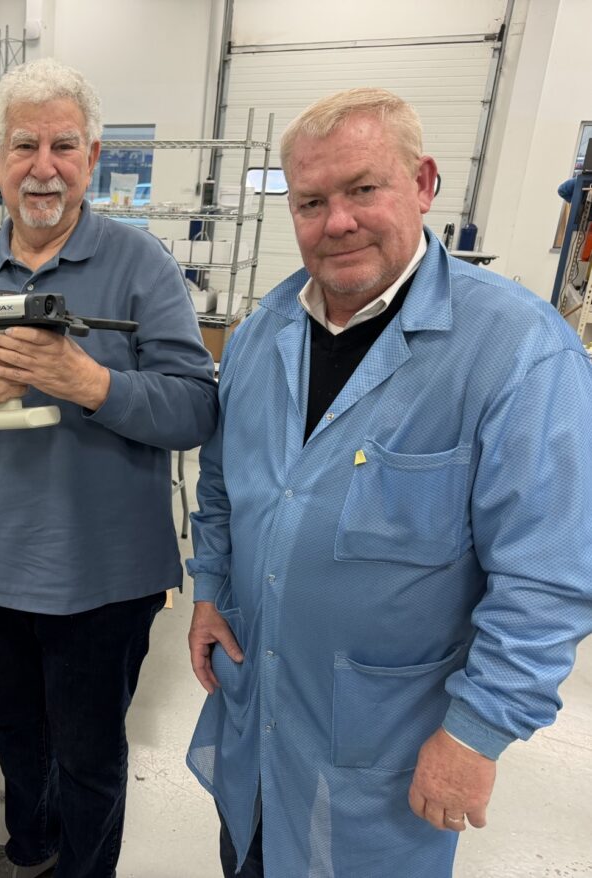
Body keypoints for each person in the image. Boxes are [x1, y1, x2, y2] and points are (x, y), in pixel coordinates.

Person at [185, 87, 592, 877]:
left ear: (424, 183)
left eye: (363, 188)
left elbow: (548, 580)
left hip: (384, 758)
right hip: (258, 725)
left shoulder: (517, 352)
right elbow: (223, 486)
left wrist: (476, 733)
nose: (337, 221)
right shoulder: (263, 334)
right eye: (311, 202)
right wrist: (209, 589)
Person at [0, 58, 218, 878]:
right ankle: (30, 853)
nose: (45, 167)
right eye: (25, 146)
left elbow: (195, 409)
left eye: (64, 146)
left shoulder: (141, 266)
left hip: (106, 583)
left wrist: (93, 383)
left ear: (93, 157)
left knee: (88, 759)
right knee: (20, 741)